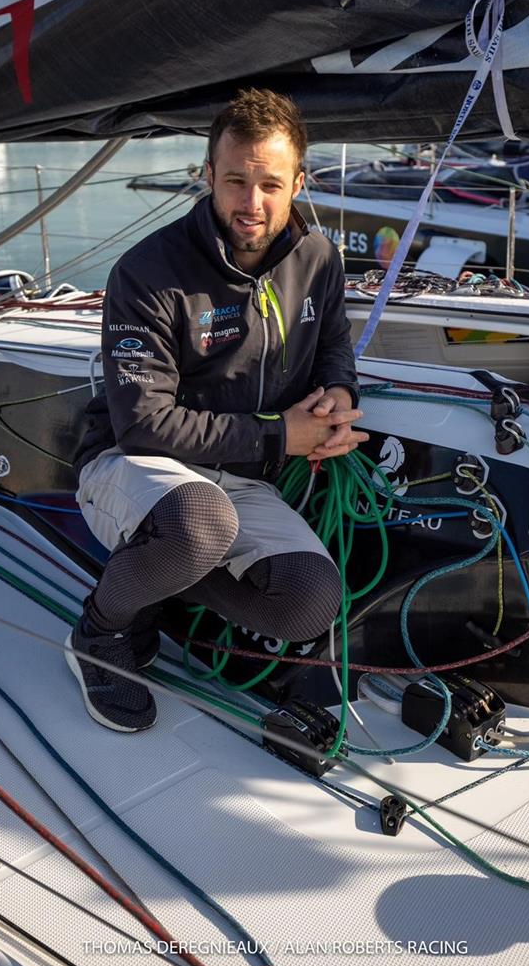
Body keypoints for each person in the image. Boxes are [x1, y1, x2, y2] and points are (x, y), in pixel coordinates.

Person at [67, 88, 368, 731]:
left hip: (240, 475)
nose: (251, 203)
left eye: (269, 184)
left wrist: (340, 396)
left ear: (298, 183)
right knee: (200, 519)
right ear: (207, 175)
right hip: (132, 463)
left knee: (311, 602)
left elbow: (334, 347)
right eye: (234, 180)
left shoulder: (319, 261)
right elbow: (143, 424)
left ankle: (157, 573)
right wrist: (278, 435)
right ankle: (101, 630)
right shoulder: (148, 272)